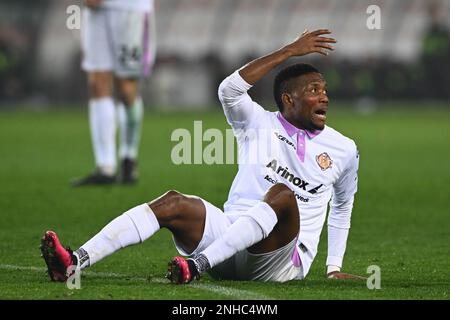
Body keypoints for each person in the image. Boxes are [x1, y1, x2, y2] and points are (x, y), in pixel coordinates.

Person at [41, 29, 363, 284]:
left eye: (324, 90)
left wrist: (333, 266)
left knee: (282, 195)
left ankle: (196, 266)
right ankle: (74, 261)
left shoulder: (344, 149)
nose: (324, 96)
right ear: (287, 99)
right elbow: (228, 90)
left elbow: (342, 207)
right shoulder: (256, 122)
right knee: (172, 202)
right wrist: (288, 51)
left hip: (281, 260)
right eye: (314, 90)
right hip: (229, 239)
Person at [72, 0, 156, 186]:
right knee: (96, 81)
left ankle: (129, 156)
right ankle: (105, 167)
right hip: (96, 10)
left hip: (129, 8)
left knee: (126, 87)